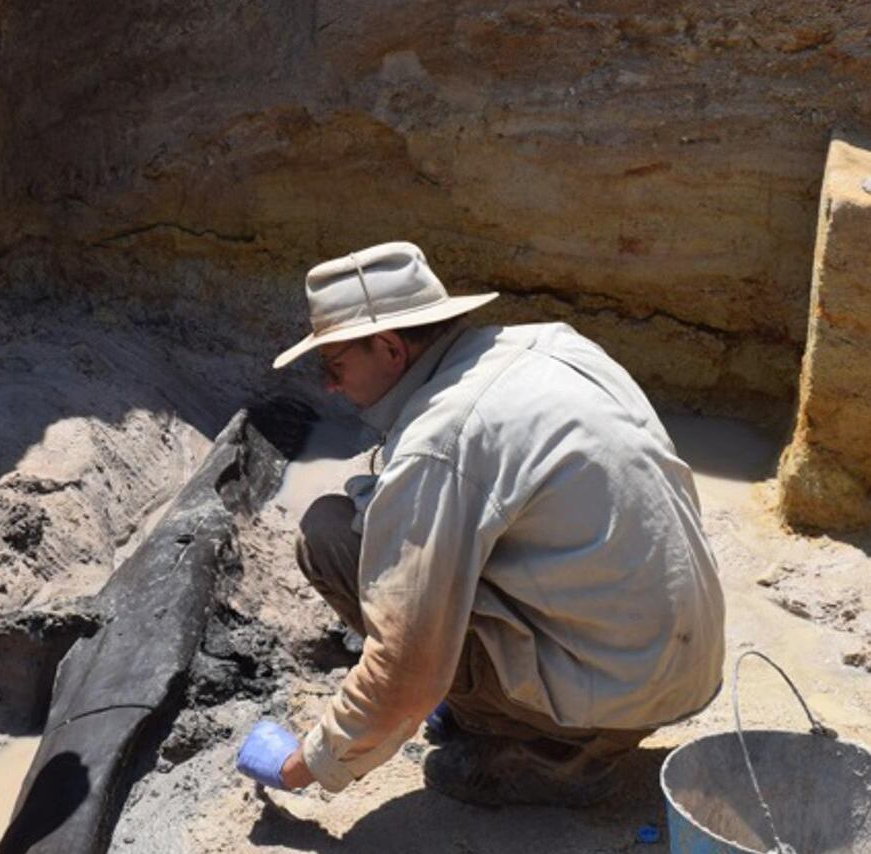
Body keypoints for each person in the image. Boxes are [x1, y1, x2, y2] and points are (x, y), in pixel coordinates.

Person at [237, 241, 725, 806]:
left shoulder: (442, 440)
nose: (329, 384)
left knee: (329, 537)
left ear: (391, 348)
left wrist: (306, 765)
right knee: (391, 542)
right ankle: (527, 716)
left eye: (335, 364)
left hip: (614, 697)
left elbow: (403, 669)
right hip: (681, 664)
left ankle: (552, 755)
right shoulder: (553, 343)